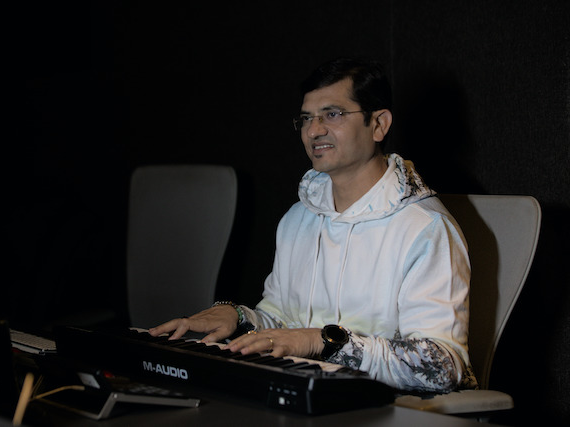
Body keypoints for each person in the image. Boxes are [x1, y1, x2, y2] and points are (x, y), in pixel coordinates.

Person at [149, 56, 478, 393]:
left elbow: (441, 366)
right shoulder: (298, 218)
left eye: (332, 114)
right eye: (307, 118)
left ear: (379, 124)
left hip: (389, 406)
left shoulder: (425, 228)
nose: (313, 130)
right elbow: (282, 322)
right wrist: (239, 317)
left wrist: (323, 341)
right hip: (304, 395)